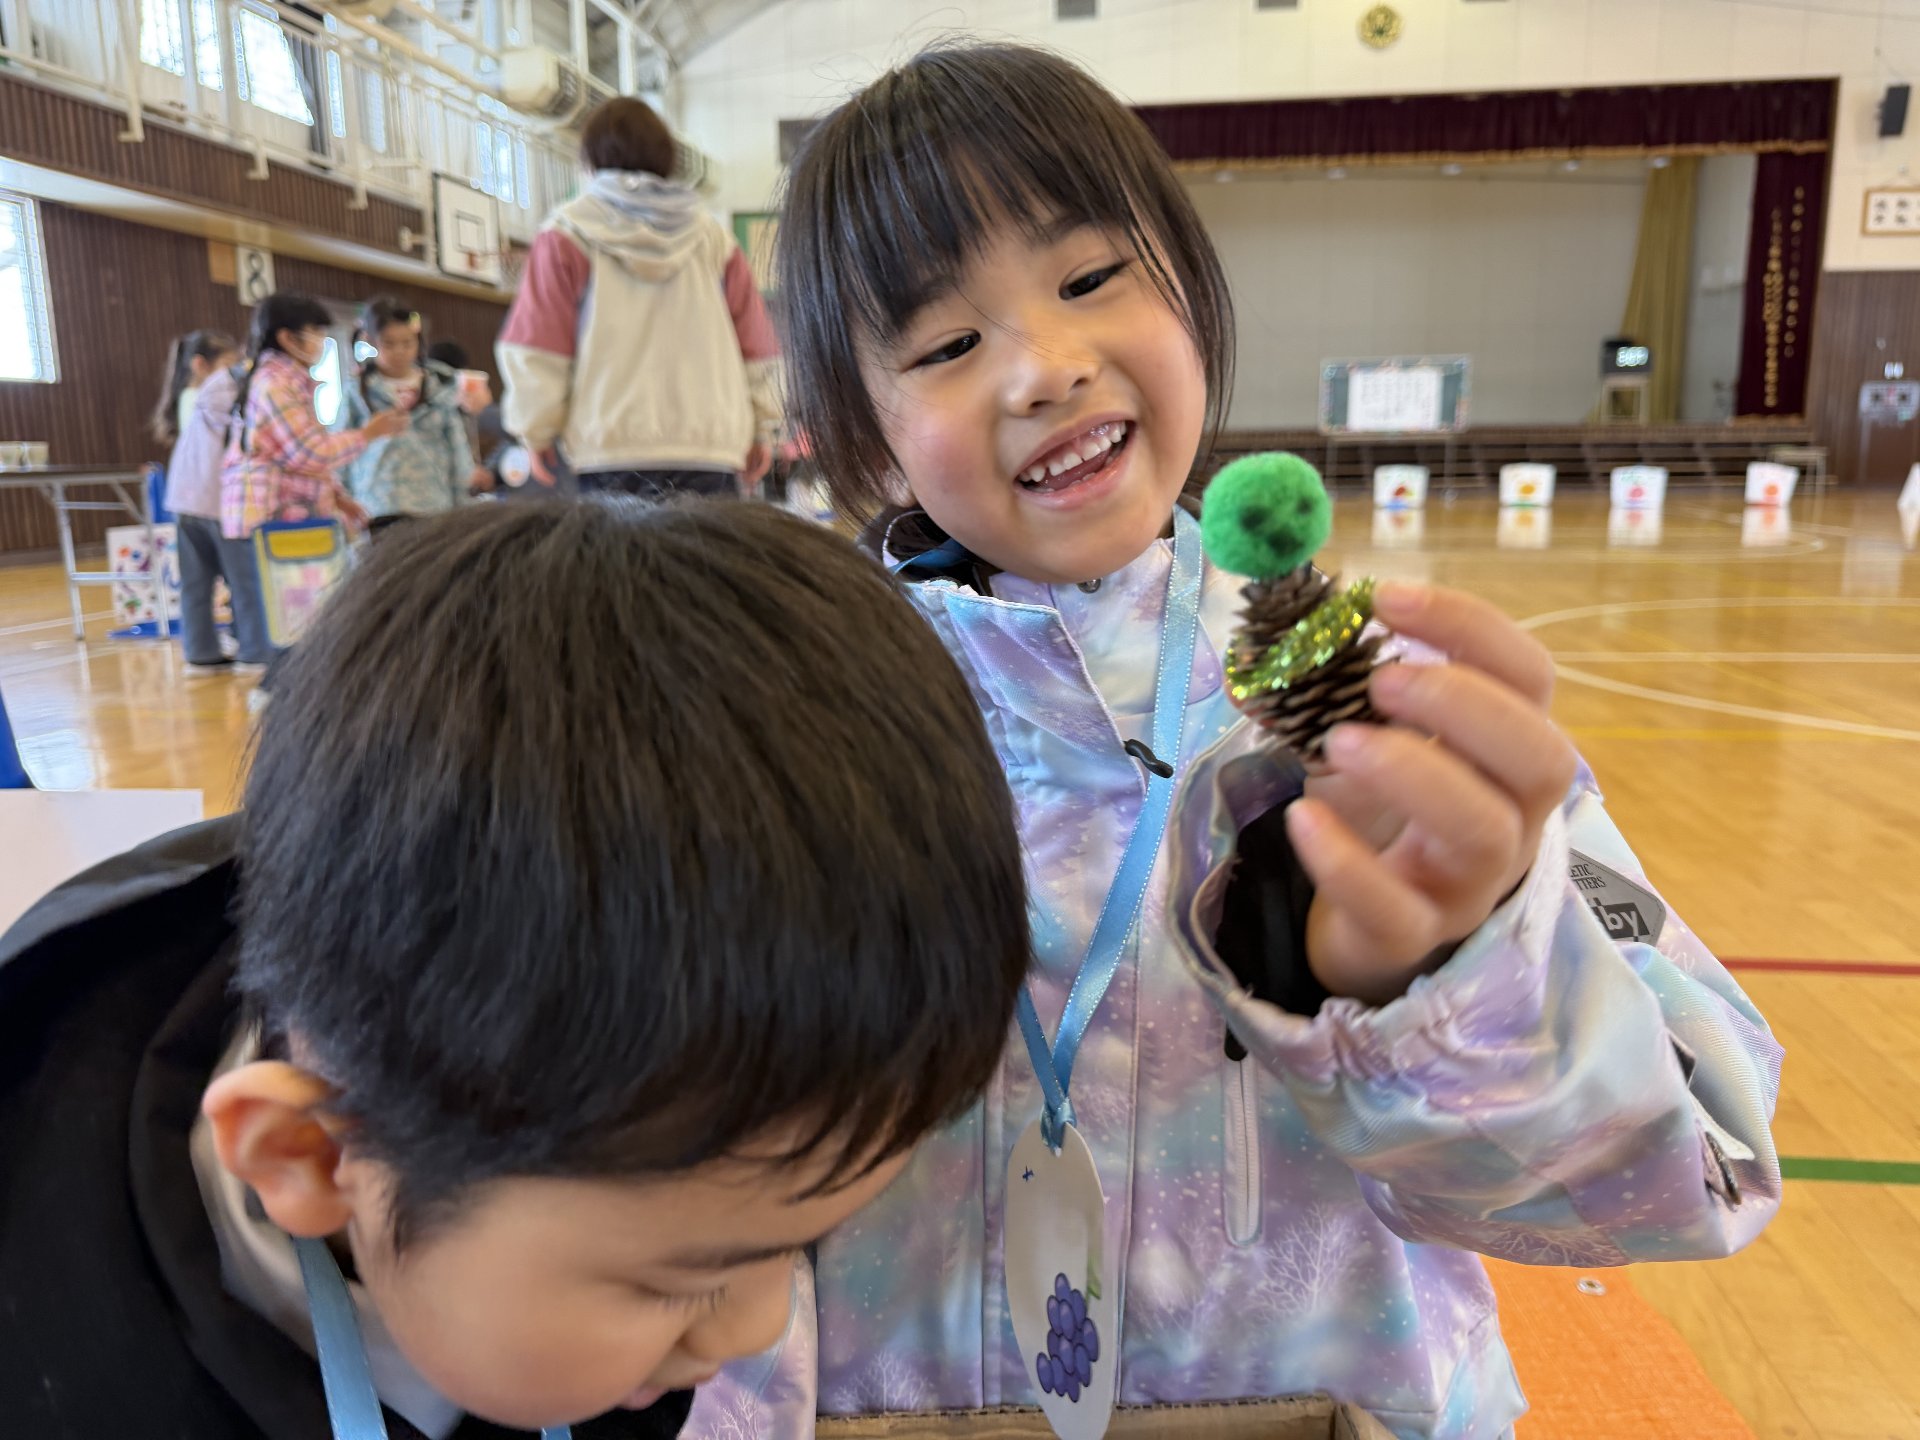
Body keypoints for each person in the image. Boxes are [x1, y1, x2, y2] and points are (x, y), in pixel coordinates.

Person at [686, 44, 1784, 1440]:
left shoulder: (1369, 708)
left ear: (1191, 288)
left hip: (1335, 1405)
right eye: (949, 345)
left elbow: (1696, 1167)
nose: (1048, 367)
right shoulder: (766, 719)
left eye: (1091, 279)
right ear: (861, 433)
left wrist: (1455, 976)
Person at [0, 498, 1030, 1439]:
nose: (758, 1329)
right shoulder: (64, 1375)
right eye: (677, 1285)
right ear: (308, 1159)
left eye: (802, 1243)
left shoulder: (571, 1178)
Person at [497, 97, 780, 500]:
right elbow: (757, 346)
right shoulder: (714, 237)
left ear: (590, 161)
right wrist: (762, 428)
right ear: (666, 158)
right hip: (709, 446)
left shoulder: (567, 232)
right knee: (707, 565)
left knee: (620, 565)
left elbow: (539, 347)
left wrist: (535, 429)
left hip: (608, 448)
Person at [222, 291, 405, 693]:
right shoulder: (275, 384)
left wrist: (338, 496)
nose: (322, 342)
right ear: (288, 338)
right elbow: (308, 451)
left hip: (291, 514)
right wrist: (368, 433)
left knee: (301, 610)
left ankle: (292, 688)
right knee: (289, 615)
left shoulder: (289, 382)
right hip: (271, 517)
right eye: (317, 333)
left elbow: (302, 453)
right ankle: (281, 694)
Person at [153, 328, 254, 672]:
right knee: (243, 578)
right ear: (201, 365)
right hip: (215, 500)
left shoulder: (188, 397)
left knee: (196, 583)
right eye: (230, 364)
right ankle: (253, 647)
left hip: (185, 500)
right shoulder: (215, 393)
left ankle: (200, 651)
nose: (236, 371)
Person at [342, 297, 488, 534]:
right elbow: (342, 448)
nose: (399, 351)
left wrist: (464, 500)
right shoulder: (357, 390)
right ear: (371, 341)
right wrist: (343, 503)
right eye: (389, 344)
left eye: (407, 343)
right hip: (377, 503)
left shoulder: (441, 387)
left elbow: (457, 446)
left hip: (433, 501)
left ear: (418, 342)